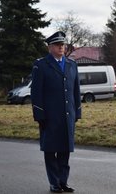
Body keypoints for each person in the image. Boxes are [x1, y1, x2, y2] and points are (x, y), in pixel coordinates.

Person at [31, 31, 81, 193]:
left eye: (63, 44)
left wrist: (77, 112)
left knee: (65, 150)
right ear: (49, 47)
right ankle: (54, 182)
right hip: (49, 117)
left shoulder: (72, 65)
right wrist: (39, 115)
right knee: (51, 149)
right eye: (58, 45)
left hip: (67, 115)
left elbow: (75, 91)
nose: (61, 47)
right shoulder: (41, 65)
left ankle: (63, 181)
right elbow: (36, 93)